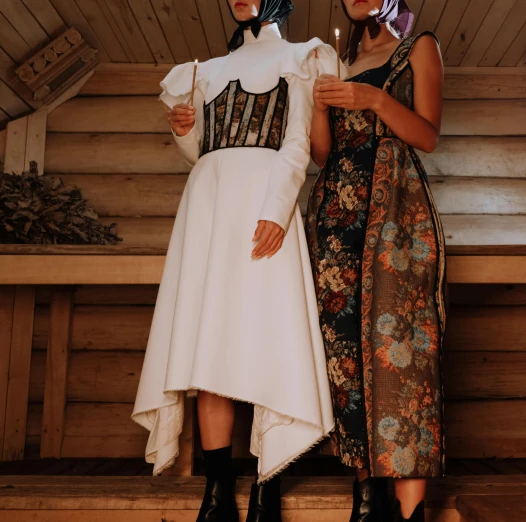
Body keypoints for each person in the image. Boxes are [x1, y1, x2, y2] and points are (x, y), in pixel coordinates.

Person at [132, 1, 338, 520]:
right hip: (208, 206)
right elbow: (201, 152)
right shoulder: (204, 71)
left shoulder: (303, 57)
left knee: (269, 336)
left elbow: (298, 142)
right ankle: (218, 491)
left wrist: (278, 209)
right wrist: (183, 131)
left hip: (266, 202)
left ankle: (269, 483)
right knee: (211, 345)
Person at [305, 1, 446, 521]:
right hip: (334, 218)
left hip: (394, 214)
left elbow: (428, 135)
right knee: (343, 356)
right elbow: (323, 155)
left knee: (401, 351)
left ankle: (409, 514)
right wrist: (320, 107)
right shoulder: (338, 61)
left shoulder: (418, 46)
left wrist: (375, 100)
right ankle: (365, 500)